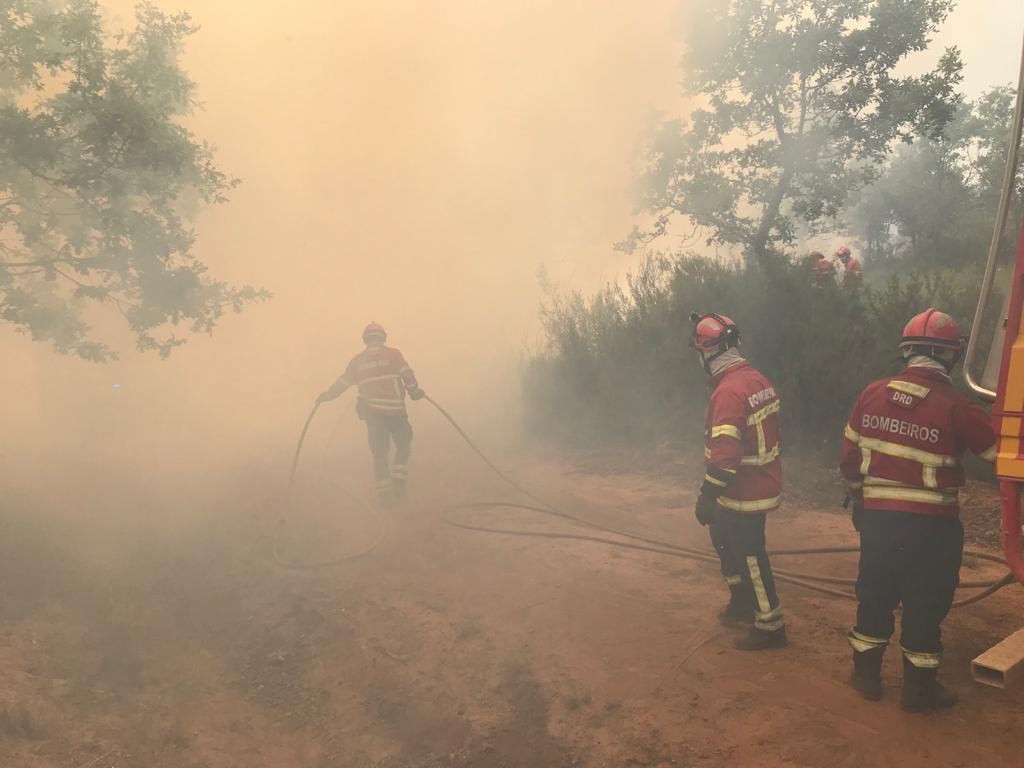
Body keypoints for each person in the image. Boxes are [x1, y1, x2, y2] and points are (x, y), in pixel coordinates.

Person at [840, 308, 996, 712]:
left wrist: (860, 501)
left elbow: (849, 459)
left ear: (906, 351)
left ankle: (866, 676)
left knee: (874, 593)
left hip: (877, 521)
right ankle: (919, 690)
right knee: (924, 602)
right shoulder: (956, 406)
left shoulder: (870, 393)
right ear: (951, 355)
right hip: (931, 529)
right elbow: (1000, 452)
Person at [690, 312, 787, 651]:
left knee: (749, 555)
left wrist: (706, 495)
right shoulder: (756, 380)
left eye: (700, 352)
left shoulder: (728, 393)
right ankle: (741, 600)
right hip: (753, 483)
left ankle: (770, 625)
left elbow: (726, 455)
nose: (700, 359)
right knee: (723, 540)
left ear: (710, 351)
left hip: (742, 489)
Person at [317, 322, 425, 501]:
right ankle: (399, 481)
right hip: (397, 413)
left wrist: (327, 395)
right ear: (382, 337)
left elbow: (343, 383)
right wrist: (414, 392)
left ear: (365, 340)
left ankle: (384, 494)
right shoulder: (393, 354)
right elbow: (407, 375)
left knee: (379, 452)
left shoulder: (357, 362)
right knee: (403, 444)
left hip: (374, 416)